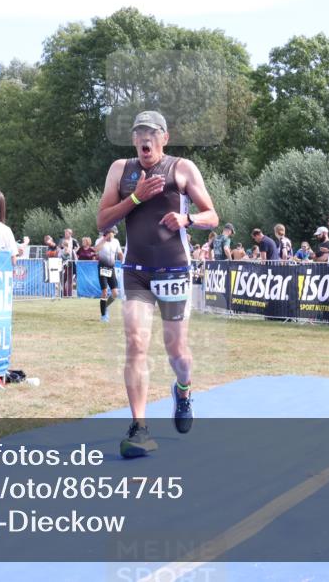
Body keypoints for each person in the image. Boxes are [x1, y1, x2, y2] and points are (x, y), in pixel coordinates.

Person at [96, 110, 218, 458]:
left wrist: (188, 217)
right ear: (134, 140)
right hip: (136, 270)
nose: (144, 139)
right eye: (139, 134)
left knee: (176, 350)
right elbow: (103, 218)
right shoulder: (120, 170)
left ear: (164, 137)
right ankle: (140, 426)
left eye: (151, 134)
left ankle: (183, 389)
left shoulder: (182, 168)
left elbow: (212, 215)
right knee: (135, 342)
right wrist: (136, 198)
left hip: (174, 269)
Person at [95, 226, 124, 322]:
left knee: (115, 293)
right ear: (107, 233)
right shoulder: (99, 240)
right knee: (104, 291)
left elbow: (120, 254)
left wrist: (124, 263)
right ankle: (103, 315)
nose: (113, 235)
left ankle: (105, 306)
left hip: (111, 268)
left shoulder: (116, 242)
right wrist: (104, 239)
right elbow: (96, 250)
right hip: (102, 268)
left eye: (114, 234)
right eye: (112, 233)